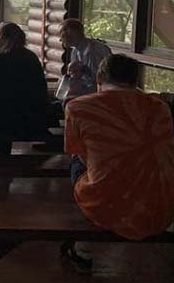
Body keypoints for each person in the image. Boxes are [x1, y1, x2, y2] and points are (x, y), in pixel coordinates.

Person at [65, 54, 174, 242]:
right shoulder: (160, 107)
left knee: (76, 160)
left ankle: (83, 247)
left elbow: (83, 157)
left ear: (99, 78)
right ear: (135, 81)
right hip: (163, 208)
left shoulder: (78, 107)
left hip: (106, 207)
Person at [0, 23, 49, 154]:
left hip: (1, 121)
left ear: (1, 38)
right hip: (30, 119)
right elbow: (40, 90)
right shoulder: (31, 58)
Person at [58, 18, 111, 100]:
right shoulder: (75, 52)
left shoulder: (96, 50)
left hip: (98, 95)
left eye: (62, 34)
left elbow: (99, 80)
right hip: (84, 93)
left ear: (71, 33)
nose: (61, 40)